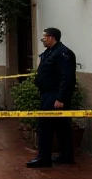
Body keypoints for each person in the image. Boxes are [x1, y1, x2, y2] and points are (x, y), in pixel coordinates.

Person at [27, 27, 76, 168]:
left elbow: (67, 78)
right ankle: (66, 156)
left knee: (44, 126)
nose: (43, 40)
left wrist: (61, 98)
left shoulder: (63, 53)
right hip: (47, 93)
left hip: (54, 95)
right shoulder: (50, 52)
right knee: (61, 127)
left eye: (44, 37)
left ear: (51, 37)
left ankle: (44, 158)